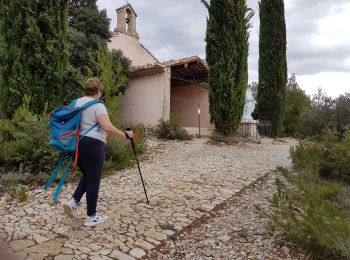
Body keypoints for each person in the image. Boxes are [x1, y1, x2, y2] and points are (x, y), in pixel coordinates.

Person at [63, 77, 133, 227]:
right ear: (99, 91)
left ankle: (73, 202)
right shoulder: (98, 105)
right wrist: (125, 135)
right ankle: (91, 217)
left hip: (74, 145)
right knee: (94, 181)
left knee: (88, 176)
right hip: (92, 146)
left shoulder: (75, 103)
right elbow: (106, 126)